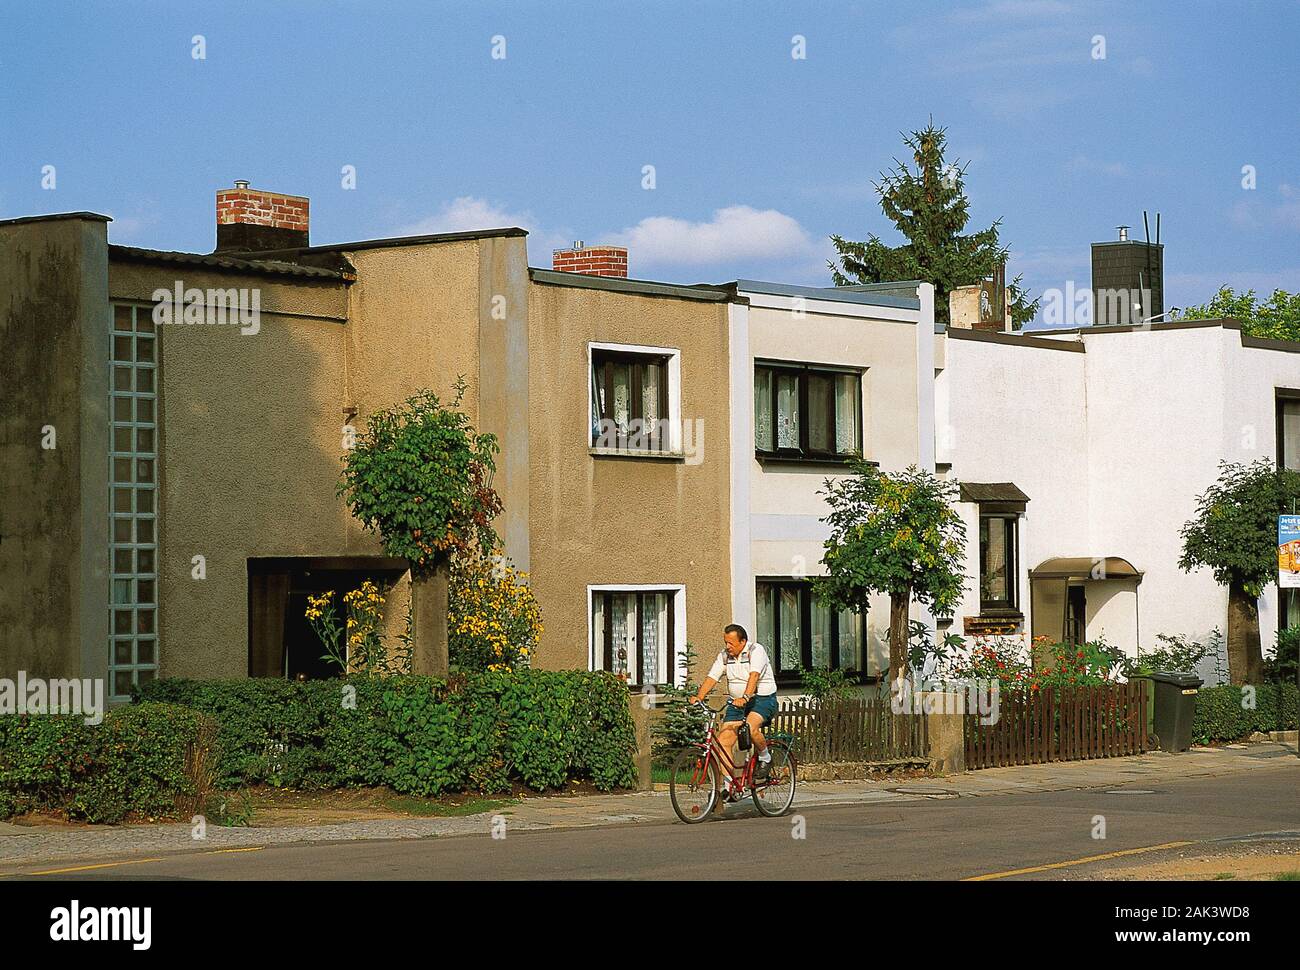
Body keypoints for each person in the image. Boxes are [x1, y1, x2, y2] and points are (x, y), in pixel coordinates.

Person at [691, 623, 779, 787]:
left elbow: (754, 676)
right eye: (726, 642)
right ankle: (729, 785)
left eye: (731, 643)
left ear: (743, 641)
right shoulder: (724, 656)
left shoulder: (756, 651)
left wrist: (746, 697)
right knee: (724, 740)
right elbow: (712, 677)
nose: (727, 646)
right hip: (737, 702)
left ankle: (765, 757)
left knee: (751, 728)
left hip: (762, 699)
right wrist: (699, 697)